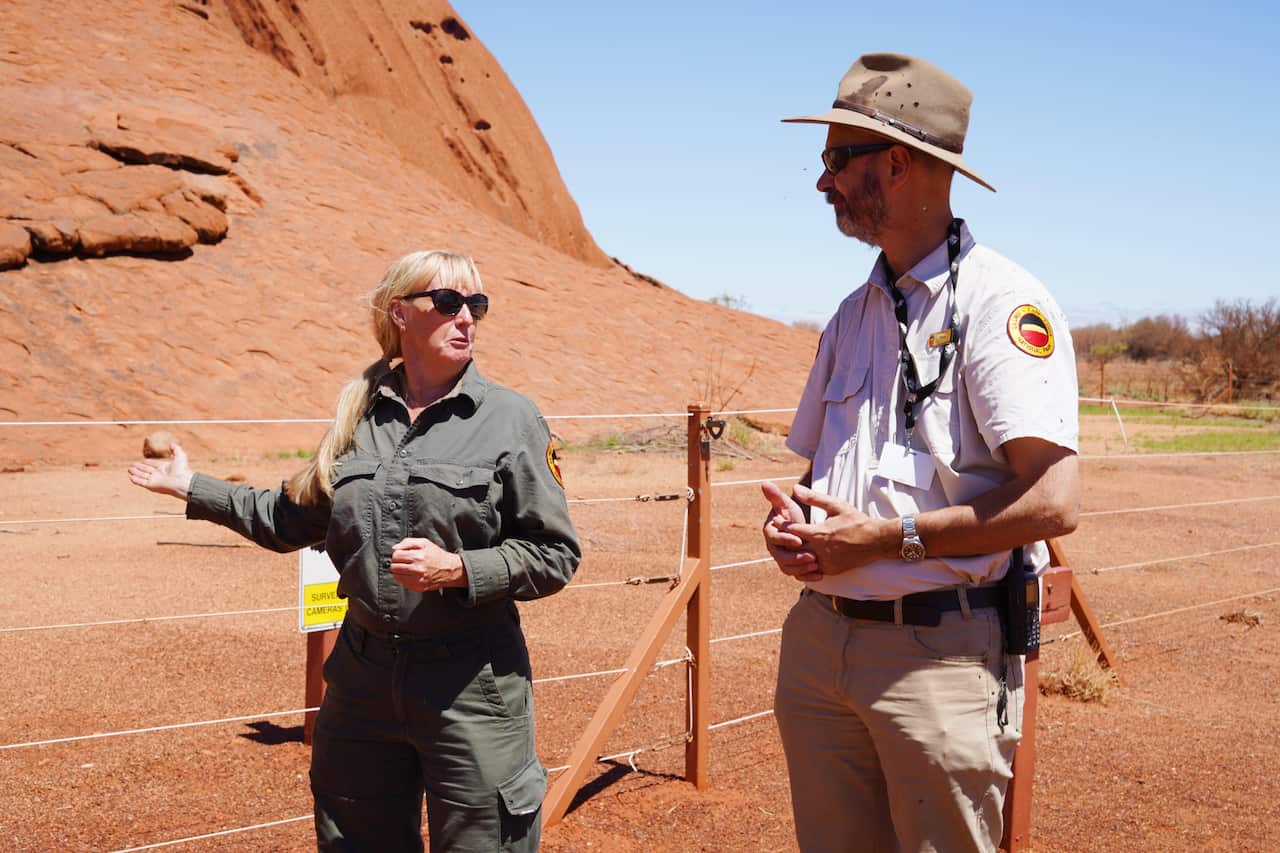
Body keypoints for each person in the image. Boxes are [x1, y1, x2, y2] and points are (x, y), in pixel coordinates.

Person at [129, 250, 580, 852]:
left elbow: (554, 554)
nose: (465, 318)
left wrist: (458, 569)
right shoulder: (357, 417)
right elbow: (289, 521)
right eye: (447, 302)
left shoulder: (510, 419)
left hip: (471, 684)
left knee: (486, 842)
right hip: (362, 680)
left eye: (477, 305)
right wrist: (191, 486)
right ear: (400, 312)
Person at [761, 53, 1081, 852]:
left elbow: (1052, 499)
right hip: (820, 645)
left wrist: (887, 539)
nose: (822, 182)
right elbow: (819, 474)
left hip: (939, 661)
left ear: (897, 165)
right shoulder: (852, 313)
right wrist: (796, 528)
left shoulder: (1002, 304)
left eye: (837, 160)